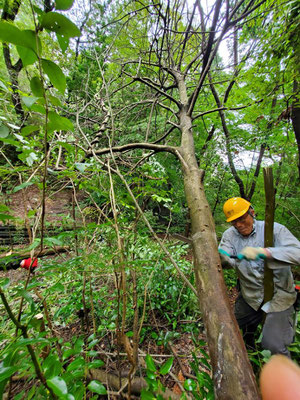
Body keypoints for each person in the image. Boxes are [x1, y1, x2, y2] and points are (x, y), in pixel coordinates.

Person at [219, 197, 300, 357]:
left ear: (252, 212)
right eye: (234, 222)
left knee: (274, 344)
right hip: (250, 296)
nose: (239, 225)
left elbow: (298, 254)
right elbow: (225, 255)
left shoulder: (275, 230)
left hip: (279, 296)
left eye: (242, 219)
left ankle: (285, 377)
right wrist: (222, 258)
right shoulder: (230, 235)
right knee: (232, 329)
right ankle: (248, 353)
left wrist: (265, 252)